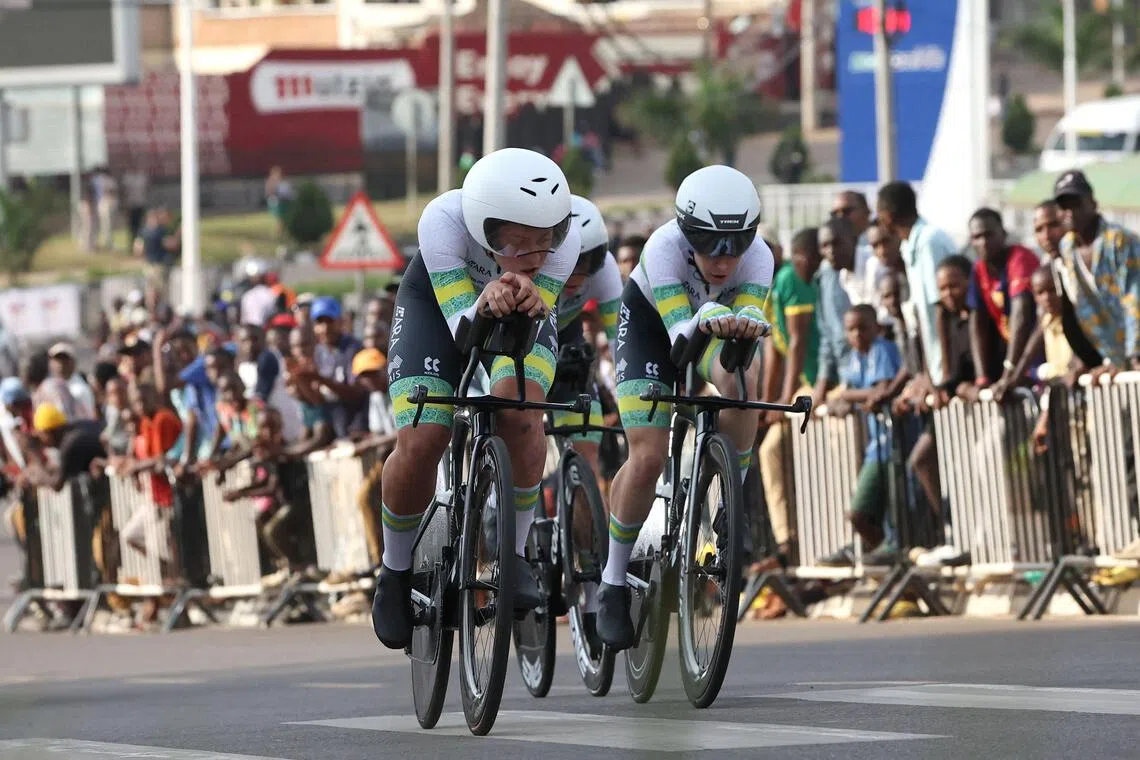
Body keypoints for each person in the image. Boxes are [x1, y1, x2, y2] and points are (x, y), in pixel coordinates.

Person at [372, 147, 581, 651]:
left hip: (514, 309)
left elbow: (535, 312)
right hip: (439, 306)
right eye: (521, 243)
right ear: (485, 228)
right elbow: (463, 329)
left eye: (544, 243)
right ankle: (394, 571)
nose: (536, 256)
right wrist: (482, 304)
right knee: (424, 436)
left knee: (523, 412)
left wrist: (532, 292)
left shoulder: (565, 239)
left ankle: (515, 555)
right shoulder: (443, 221)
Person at [599, 165, 773, 650]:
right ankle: (612, 581)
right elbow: (681, 341)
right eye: (708, 242)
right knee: (648, 456)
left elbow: (739, 339)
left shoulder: (759, 259)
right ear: (684, 231)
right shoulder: (662, 249)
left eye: (735, 244)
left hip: (718, 327)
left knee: (743, 380)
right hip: (655, 330)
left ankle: (731, 499)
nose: (723, 260)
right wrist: (707, 319)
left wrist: (744, 333)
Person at [546, 196, 625, 640]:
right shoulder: (535, 263)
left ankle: (589, 578)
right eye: (570, 263)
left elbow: (620, 340)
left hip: (568, 347)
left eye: (589, 263)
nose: (577, 276)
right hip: (514, 340)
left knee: (588, 458)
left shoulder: (606, 273)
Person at [758, 228, 821, 561]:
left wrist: (783, 402)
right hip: (796, 387)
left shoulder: (787, 277)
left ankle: (811, 540)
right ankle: (786, 540)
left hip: (815, 382)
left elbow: (797, 343)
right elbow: (774, 354)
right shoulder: (766, 291)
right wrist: (767, 406)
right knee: (769, 450)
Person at [822, 304, 903, 565]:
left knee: (872, 511)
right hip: (874, 447)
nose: (857, 334)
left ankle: (891, 552)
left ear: (876, 327)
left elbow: (880, 389)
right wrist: (845, 399)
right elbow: (850, 393)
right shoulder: (856, 358)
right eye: (850, 330)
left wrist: (846, 396)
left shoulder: (882, 349)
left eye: (862, 328)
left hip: (894, 442)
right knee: (861, 514)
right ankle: (883, 552)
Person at [1052, 170, 1140, 375]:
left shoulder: (1118, 240)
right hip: (1114, 358)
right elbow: (1084, 307)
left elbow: (1134, 298)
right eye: (1064, 205)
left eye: (1076, 203)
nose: (1070, 212)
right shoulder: (1068, 247)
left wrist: (1135, 353)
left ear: (1092, 202)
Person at [877, 181, 958, 388]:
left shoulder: (928, 242)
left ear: (887, 215)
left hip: (951, 365)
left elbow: (940, 307)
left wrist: (941, 374)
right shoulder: (909, 245)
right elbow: (921, 317)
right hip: (935, 367)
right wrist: (926, 373)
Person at [965, 208, 1040, 398]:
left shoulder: (1020, 258)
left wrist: (1009, 373)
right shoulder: (978, 270)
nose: (983, 242)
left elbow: (1021, 315)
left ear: (1003, 234)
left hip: (1037, 355)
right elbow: (977, 323)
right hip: (1013, 362)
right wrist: (982, 378)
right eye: (977, 237)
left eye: (989, 235)